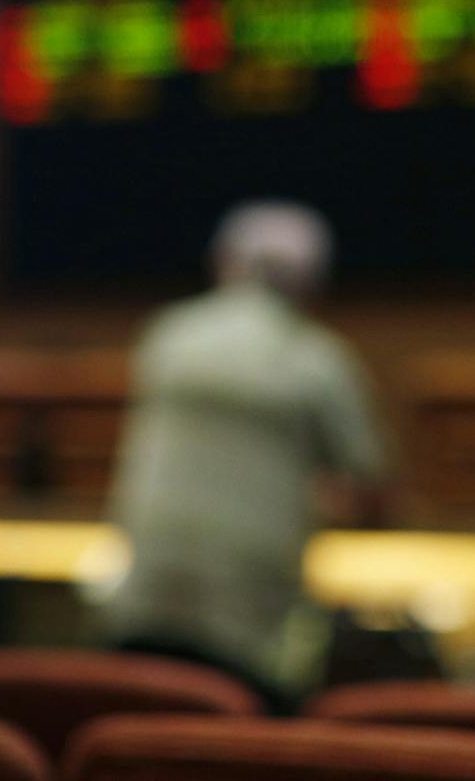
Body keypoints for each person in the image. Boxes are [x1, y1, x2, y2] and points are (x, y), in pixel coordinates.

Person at [103, 200, 387, 709]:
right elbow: (367, 488)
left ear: (226, 263)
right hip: (251, 628)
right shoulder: (317, 361)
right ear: (310, 281)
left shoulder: (168, 335)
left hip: (140, 603)